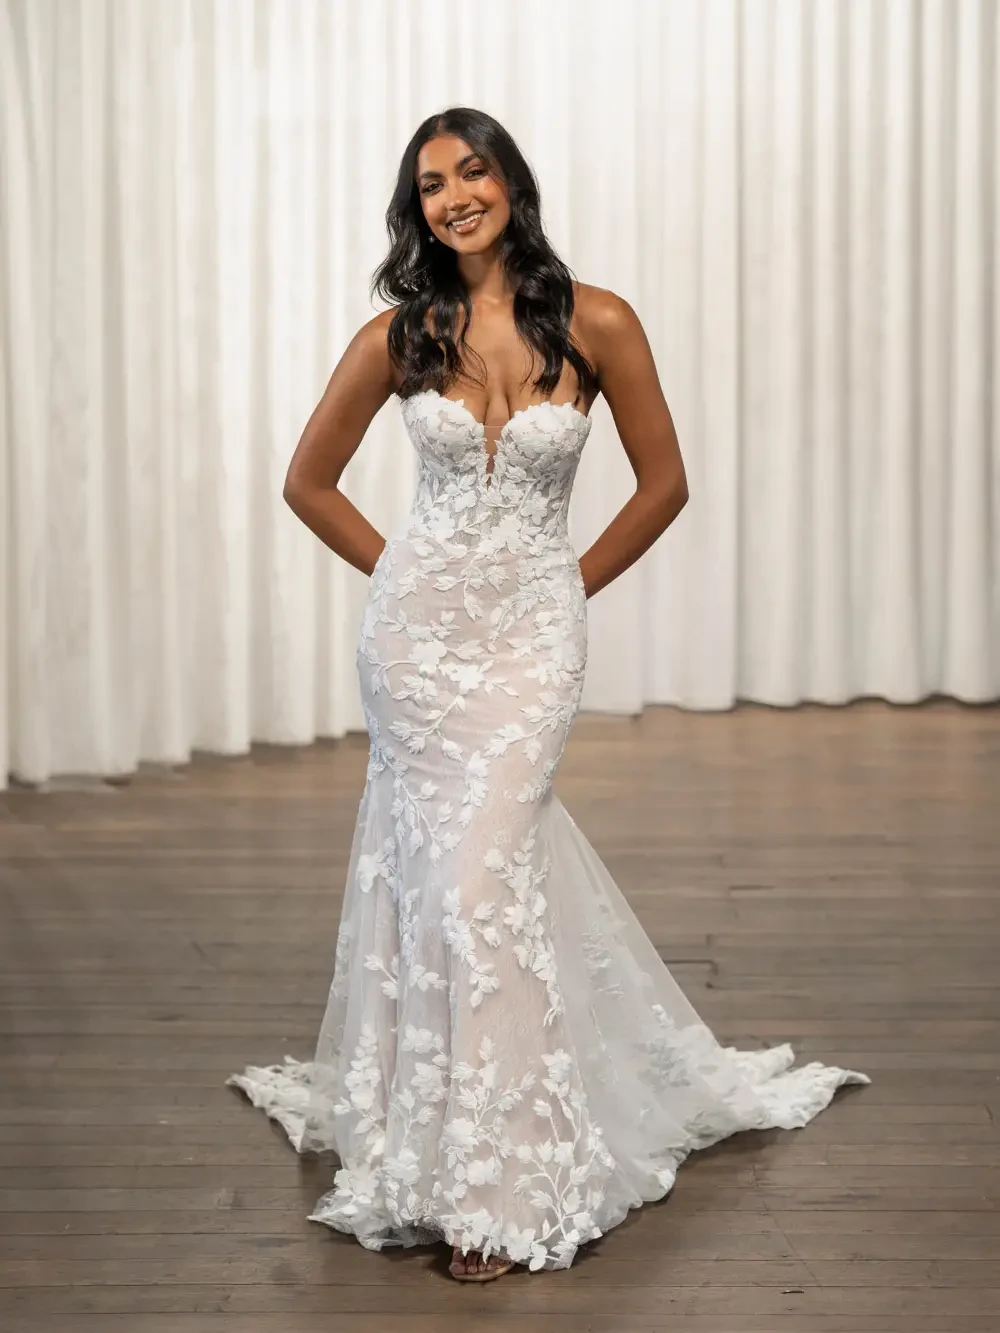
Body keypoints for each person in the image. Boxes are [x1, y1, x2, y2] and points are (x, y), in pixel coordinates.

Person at [228, 106, 868, 1283]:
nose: (454, 194)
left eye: (472, 170)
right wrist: (407, 577)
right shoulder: (400, 332)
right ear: (415, 208)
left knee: (482, 887)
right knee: (440, 889)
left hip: (529, 647)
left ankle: (503, 1184)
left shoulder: (600, 323)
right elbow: (305, 482)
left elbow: (663, 484)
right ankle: (438, 1149)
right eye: (430, 183)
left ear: (512, 182)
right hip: (416, 650)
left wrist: (563, 585)